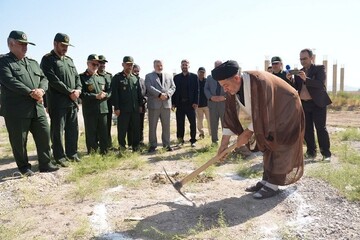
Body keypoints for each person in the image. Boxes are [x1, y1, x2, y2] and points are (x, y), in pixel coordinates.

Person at [212, 60, 304, 199]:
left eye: (225, 85)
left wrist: (247, 133)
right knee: (266, 142)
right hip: (268, 115)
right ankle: (266, 179)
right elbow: (230, 116)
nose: (225, 89)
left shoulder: (259, 82)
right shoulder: (233, 89)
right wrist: (224, 145)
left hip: (286, 109)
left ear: (236, 78)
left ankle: (274, 184)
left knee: (279, 144)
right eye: (222, 86)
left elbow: (264, 112)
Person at [0, 30, 59, 175]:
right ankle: (24, 167)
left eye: (26, 45)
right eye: (21, 44)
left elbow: (44, 78)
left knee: (44, 135)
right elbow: (9, 81)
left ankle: (45, 164)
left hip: (37, 107)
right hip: (17, 110)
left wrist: (42, 91)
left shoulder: (32, 63)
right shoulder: (3, 62)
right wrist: (31, 92)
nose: (25, 47)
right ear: (11, 44)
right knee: (19, 141)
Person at [40, 33, 82, 165]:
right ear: (55, 44)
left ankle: (72, 153)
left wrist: (78, 90)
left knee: (72, 130)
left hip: (72, 102)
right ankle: (59, 156)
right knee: (57, 131)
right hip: (58, 103)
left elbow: (77, 78)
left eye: (67, 46)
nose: (65, 48)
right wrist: (70, 92)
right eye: (63, 45)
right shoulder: (47, 59)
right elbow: (52, 80)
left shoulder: (69, 60)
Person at [293, 48, 332, 161]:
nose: (302, 61)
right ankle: (311, 152)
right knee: (307, 129)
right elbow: (296, 88)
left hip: (318, 104)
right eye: (301, 59)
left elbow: (320, 84)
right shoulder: (298, 72)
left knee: (321, 128)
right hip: (304, 104)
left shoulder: (319, 69)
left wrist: (306, 79)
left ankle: (326, 154)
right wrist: (290, 80)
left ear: (312, 57)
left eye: (305, 58)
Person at [79, 54, 111, 154]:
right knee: (91, 133)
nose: (96, 66)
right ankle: (92, 152)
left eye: (98, 64)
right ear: (88, 63)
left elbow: (110, 91)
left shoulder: (102, 77)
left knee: (104, 132)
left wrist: (106, 94)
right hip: (90, 110)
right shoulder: (82, 77)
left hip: (103, 109)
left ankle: (104, 152)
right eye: (94, 64)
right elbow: (82, 94)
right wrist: (95, 96)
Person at [111, 56, 142, 152]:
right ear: (123, 64)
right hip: (123, 109)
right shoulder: (117, 77)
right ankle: (122, 147)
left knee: (136, 128)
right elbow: (115, 94)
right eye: (127, 64)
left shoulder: (135, 78)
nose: (129, 66)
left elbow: (139, 93)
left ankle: (135, 146)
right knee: (122, 129)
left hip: (134, 109)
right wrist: (116, 107)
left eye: (131, 65)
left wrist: (140, 105)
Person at [145, 60, 176, 152]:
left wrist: (168, 95)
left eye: (161, 65)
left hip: (166, 104)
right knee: (152, 126)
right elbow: (149, 87)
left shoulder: (169, 76)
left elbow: (173, 87)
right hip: (154, 105)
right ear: (154, 66)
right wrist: (159, 94)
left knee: (166, 126)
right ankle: (153, 145)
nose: (159, 67)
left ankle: (166, 145)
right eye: (157, 65)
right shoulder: (149, 76)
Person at [172, 59, 199, 147]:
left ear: (188, 66)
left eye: (186, 65)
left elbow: (197, 91)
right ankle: (180, 140)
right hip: (180, 104)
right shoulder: (176, 78)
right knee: (180, 123)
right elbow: (174, 91)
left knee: (193, 123)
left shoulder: (194, 77)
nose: (184, 66)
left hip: (190, 104)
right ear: (181, 66)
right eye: (183, 65)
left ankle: (193, 140)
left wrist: (196, 102)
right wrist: (173, 103)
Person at [204, 60, 226, 145]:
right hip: (212, 104)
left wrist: (224, 97)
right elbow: (206, 89)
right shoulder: (210, 77)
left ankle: (225, 142)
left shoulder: (227, 77)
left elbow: (231, 90)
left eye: (219, 66)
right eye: (216, 66)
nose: (217, 68)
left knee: (225, 124)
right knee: (213, 123)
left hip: (223, 104)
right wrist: (211, 97)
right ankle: (214, 141)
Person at [97, 55, 114, 150]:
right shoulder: (94, 74)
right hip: (96, 104)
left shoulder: (109, 75)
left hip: (107, 104)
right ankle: (96, 146)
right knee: (96, 126)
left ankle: (108, 145)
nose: (102, 65)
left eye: (104, 63)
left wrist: (106, 95)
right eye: (100, 63)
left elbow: (111, 89)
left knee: (107, 125)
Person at [132, 64, 147, 146]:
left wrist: (143, 101)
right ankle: (132, 142)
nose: (136, 73)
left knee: (140, 125)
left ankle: (141, 141)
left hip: (142, 107)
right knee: (132, 126)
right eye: (135, 71)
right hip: (132, 107)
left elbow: (146, 93)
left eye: (138, 71)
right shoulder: (130, 80)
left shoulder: (142, 81)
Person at [196, 67, 211, 139]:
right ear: (198, 72)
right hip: (198, 105)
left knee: (210, 120)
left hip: (207, 105)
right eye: (200, 72)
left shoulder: (207, 81)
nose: (201, 73)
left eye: (203, 72)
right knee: (199, 121)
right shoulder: (195, 81)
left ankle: (211, 134)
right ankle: (201, 134)